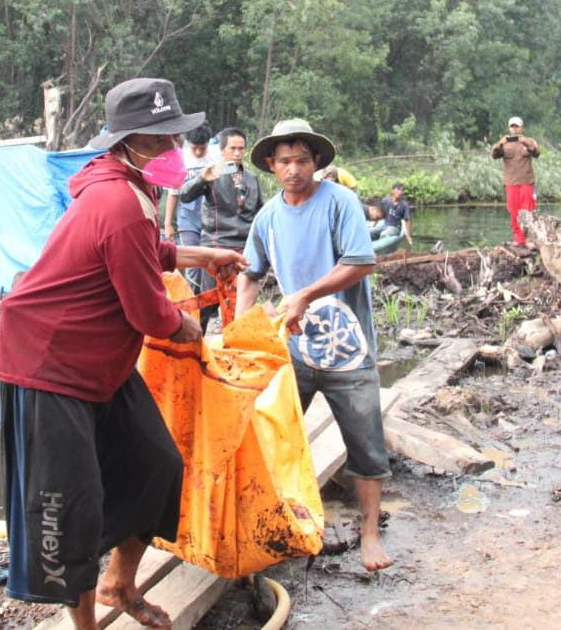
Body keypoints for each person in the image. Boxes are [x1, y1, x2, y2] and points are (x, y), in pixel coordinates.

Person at [0, 78, 247, 630]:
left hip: (99, 362)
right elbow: (150, 317)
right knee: (71, 506)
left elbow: (143, 249)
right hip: (49, 364)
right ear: (125, 140)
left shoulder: (129, 185)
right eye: (157, 141)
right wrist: (197, 332)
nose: (170, 151)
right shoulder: (115, 199)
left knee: (157, 466)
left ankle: (118, 582)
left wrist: (195, 253)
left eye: (173, 137)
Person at [235, 118, 393, 573]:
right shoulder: (267, 217)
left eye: (302, 160)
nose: (294, 169)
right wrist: (242, 326)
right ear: (270, 165)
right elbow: (250, 272)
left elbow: (361, 262)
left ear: (316, 163)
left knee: (366, 444)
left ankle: (369, 532)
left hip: (350, 351)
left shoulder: (339, 203)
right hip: (295, 351)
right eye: (284, 161)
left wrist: (304, 294)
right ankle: (280, 524)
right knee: (274, 439)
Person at [179, 126, 263, 328]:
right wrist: (200, 179)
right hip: (216, 246)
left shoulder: (251, 178)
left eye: (241, 148)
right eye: (232, 148)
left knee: (240, 305)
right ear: (222, 150)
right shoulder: (212, 173)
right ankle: (195, 347)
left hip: (245, 248)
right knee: (208, 301)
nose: (237, 153)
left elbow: (261, 213)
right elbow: (184, 194)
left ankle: (234, 351)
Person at [163, 122, 220, 294]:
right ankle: (191, 302)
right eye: (194, 148)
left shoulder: (216, 157)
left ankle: (207, 304)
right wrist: (168, 223)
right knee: (193, 262)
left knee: (209, 262)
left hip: (210, 218)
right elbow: (174, 193)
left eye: (201, 148)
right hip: (188, 217)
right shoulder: (181, 159)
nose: (197, 152)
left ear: (208, 143)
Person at [491, 116, 539, 246]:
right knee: (513, 212)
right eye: (512, 126)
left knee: (528, 211)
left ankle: (530, 239)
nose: (514, 129)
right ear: (509, 128)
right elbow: (494, 155)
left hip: (526, 182)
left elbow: (536, 152)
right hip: (510, 183)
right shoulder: (504, 143)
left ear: (522, 128)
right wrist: (500, 143)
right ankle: (519, 239)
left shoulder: (529, 141)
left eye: (517, 126)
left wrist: (525, 142)